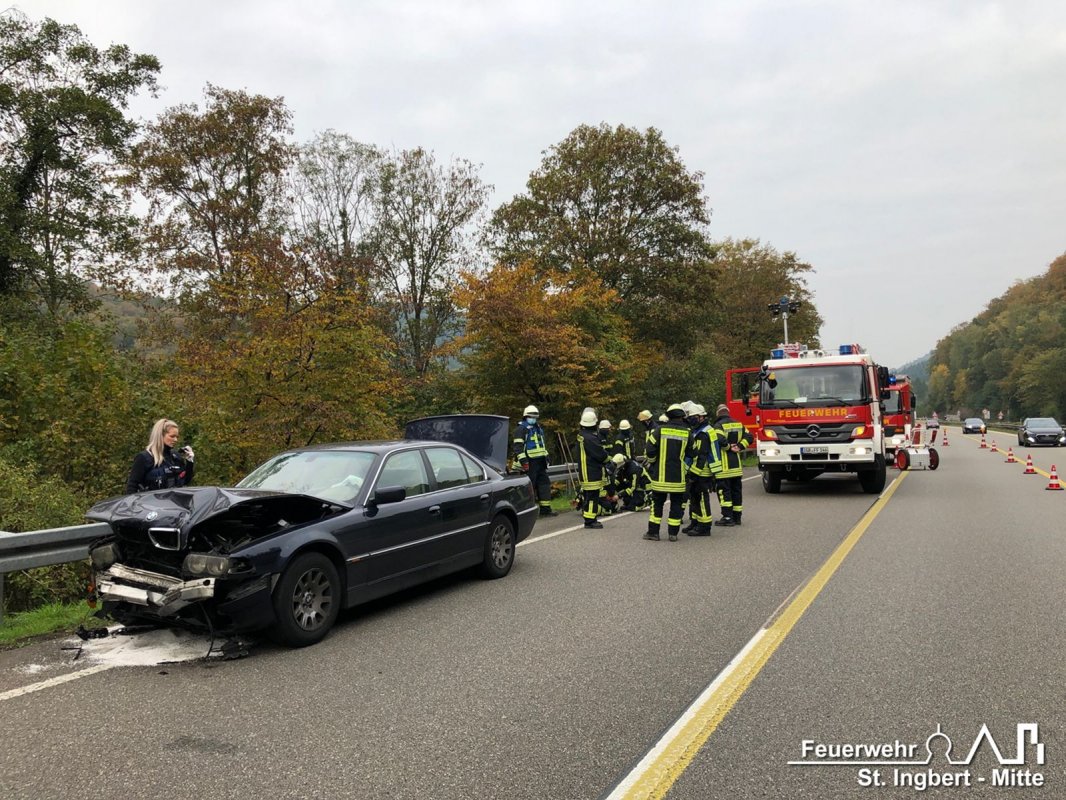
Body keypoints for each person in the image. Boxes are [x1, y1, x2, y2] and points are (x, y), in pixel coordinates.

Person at [644, 404, 691, 541]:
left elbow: (649, 450)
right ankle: (673, 534)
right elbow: (692, 452)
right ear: (682, 417)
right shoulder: (687, 433)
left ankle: (653, 533)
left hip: (660, 477)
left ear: (668, 416)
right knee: (676, 505)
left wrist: (653, 462)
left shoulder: (659, 431)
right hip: (678, 478)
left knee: (657, 505)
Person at [126, 418, 196, 494]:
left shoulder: (175, 456)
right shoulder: (144, 457)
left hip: (175, 503)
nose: (175, 440)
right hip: (150, 504)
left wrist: (190, 462)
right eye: (172, 436)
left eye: (177, 437)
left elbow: (185, 481)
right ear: (160, 436)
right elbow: (132, 487)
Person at [512, 404, 557, 517]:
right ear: (526, 417)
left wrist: (546, 457)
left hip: (540, 462)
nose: (533, 419)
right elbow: (518, 448)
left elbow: (541, 446)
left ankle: (545, 509)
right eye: (531, 417)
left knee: (544, 484)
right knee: (529, 487)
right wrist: (524, 462)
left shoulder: (538, 428)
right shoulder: (521, 429)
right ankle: (527, 512)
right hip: (529, 462)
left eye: (535, 417)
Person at [684, 404, 719, 536]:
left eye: (693, 417)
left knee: (702, 499)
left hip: (703, 472)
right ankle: (696, 522)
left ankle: (704, 526)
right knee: (694, 498)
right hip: (699, 470)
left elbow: (701, 455)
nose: (691, 419)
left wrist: (694, 473)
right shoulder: (698, 431)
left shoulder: (704, 433)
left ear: (701, 417)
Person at [713, 403, 751, 526]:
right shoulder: (738, 424)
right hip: (737, 466)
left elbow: (719, 440)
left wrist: (729, 447)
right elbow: (749, 437)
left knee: (724, 493)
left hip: (724, 467)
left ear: (718, 414)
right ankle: (737, 517)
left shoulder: (718, 425)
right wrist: (740, 446)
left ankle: (728, 517)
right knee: (736, 492)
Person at [577, 408, 611, 529]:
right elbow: (599, 454)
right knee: (592, 497)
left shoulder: (582, 435)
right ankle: (590, 521)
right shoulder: (591, 438)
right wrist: (608, 460)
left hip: (585, 470)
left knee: (588, 496)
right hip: (591, 471)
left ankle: (588, 518)